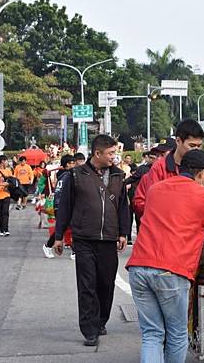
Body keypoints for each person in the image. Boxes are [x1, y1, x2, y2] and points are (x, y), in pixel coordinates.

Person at [126, 149, 204, 363]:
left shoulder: (156, 189)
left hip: (139, 267)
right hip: (171, 270)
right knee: (177, 334)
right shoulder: (203, 195)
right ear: (202, 173)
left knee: (152, 334)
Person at [54, 134, 131, 346]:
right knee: (87, 284)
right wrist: (59, 236)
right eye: (110, 153)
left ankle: (101, 320)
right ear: (97, 153)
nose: (114, 157)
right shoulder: (76, 175)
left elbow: (124, 207)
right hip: (84, 238)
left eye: (115, 153)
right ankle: (89, 329)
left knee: (106, 283)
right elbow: (65, 207)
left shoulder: (117, 175)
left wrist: (124, 233)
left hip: (109, 238)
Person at [133, 120, 204, 217]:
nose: (196, 150)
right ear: (178, 141)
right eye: (192, 146)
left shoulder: (202, 166)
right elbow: (152, 203)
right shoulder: (160, 168)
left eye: (199, 146)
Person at [42, 154, 76, 259]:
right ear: (67, 164)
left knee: (66, 227)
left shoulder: (63, 174)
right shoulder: (67, 176)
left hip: (61, 205)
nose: (74, 165)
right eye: (72, 163)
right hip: (63, 205)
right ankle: (48, 246)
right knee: (65, 227)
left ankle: (74, 251)